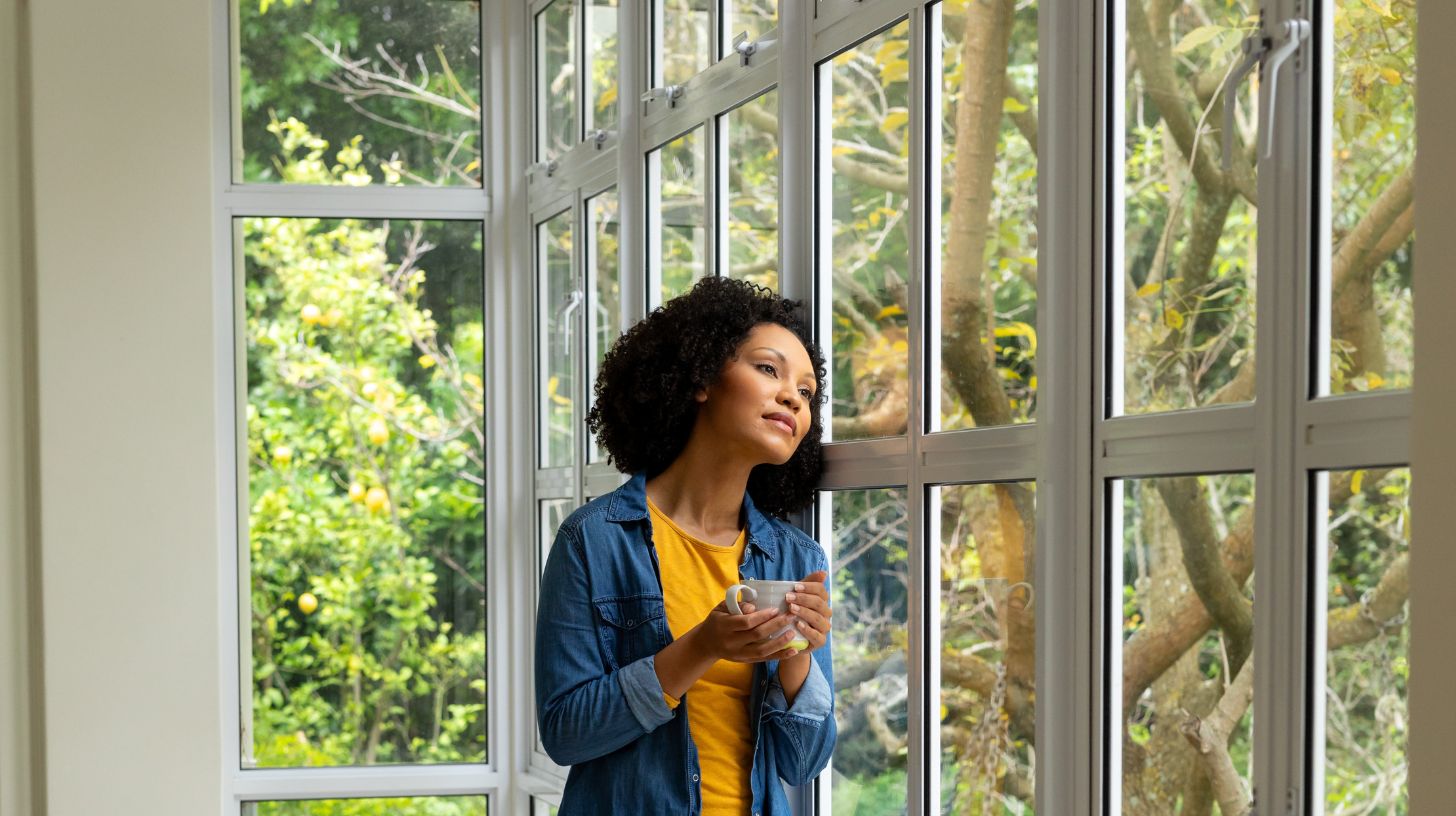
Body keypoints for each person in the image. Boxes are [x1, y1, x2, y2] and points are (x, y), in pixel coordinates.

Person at [535, 276, 837, 815]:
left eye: (807, 392)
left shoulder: (799, 559)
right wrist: (701, 648)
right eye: (769, 369)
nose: (793, 395)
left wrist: (798, 658)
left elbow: (802, 764)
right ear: (700, 378)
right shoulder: (592, 540)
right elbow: (565, 733)